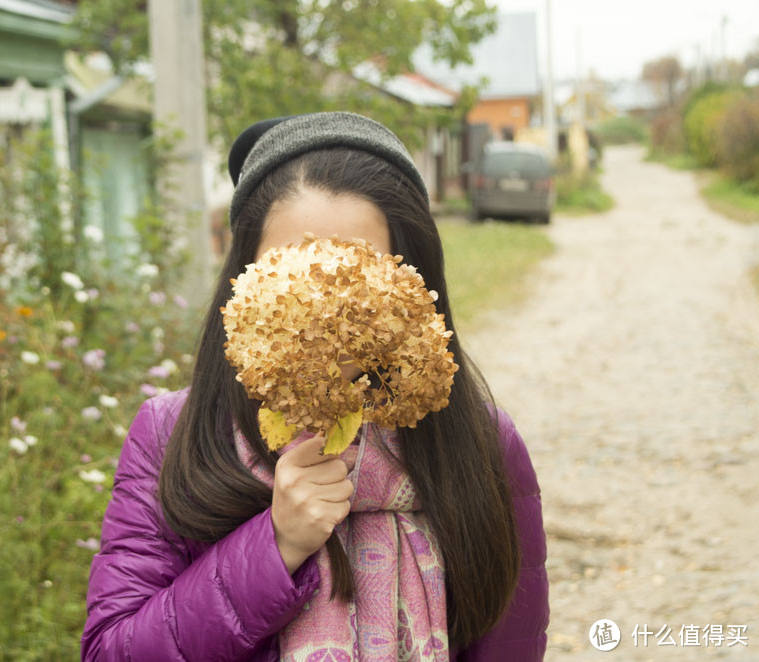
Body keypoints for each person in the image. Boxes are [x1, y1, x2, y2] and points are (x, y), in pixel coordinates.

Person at [81, 112, 549, 661]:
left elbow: (508, 644)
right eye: (291, 277)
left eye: (357, 279)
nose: (323, 314)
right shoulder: (169, 437)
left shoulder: (480, 445)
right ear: (244, 280)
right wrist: (274, 546)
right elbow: (112, 651)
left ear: (412, 287)